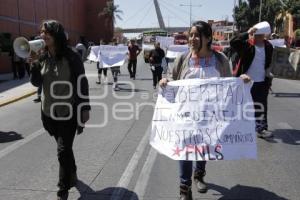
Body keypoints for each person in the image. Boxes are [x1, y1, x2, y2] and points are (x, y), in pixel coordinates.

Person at [159, 20, 250, 200]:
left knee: (203, 147)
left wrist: (241, 81)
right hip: (184, 117)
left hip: (209, 118)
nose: (192, 38)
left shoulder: (220, 60)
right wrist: (164, 81)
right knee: (184, 149)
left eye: (196, 35)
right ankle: (184, 188)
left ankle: (199, 174)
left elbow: (228, 84)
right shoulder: (182, 59)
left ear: (208, 38)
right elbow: (172, 78)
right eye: (190, 35)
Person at [28, 20, 90, 200]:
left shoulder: (71, 56)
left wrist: (85, 107)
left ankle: (63, 188)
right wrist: (33, 65)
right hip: (48, 112)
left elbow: (82, 81)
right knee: (64, 148)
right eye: (41, 32)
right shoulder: (41, 56)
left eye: (47, 32)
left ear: (56, 35)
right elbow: (36, 83)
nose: (42, 35)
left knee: (62, 150)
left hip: (68, 111)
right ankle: (73, 171)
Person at [230, 23, 274, 139]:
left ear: (263, 36)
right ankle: (237, 128)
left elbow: (270, 62)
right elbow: (233, 42)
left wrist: (269, 73)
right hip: (245, 82)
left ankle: (261, 128)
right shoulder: (246, 46)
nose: (254, 37)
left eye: (258, 35)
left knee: (261, 106)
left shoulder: (268, 46)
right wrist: (247, 33)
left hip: (262, 82)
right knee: (241, 106)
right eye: (253, 35)